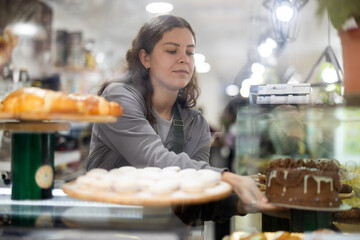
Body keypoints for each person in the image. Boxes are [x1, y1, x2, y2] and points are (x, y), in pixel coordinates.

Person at [86, 14, 281, 217]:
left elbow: (195, 201)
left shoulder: (195, 125)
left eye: (190, 52)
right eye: (171, 50)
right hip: (106, 226)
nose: (183, 59)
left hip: (162, 230)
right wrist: (227, 178)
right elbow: (153, 158)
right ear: (145, 58)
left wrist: (247, 203)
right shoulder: (118, 99)